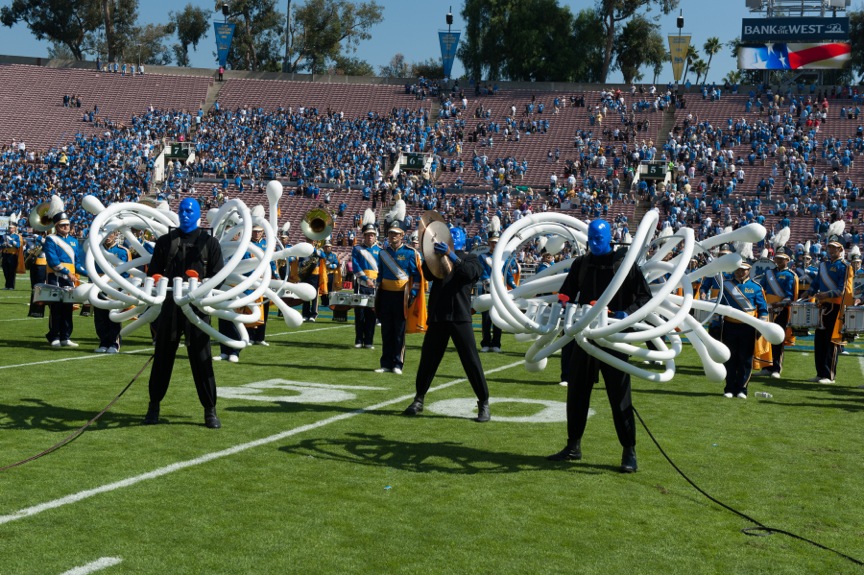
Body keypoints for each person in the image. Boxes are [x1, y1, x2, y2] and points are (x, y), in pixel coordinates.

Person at [547, 219, 651, 473]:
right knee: (577, 393)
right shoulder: (581, 264)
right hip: (584, 338)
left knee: (620, 396)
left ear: (609, 238)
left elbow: (644, 297)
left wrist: (625, 314)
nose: (593, 242)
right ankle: (573, 445)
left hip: (614, 339)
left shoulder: (624, 265)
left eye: (598, 238)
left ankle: (629, 451)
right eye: (591, 237)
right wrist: (561, 305)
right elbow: (567, 293)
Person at [142, 198, 225, 429]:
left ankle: (210, 410)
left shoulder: (210, 243)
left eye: (190, 211)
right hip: (169, 307)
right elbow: (154, 272)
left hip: (197, 309)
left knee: (202, 358)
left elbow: (219, 276)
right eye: (181, 211)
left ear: (198, 214)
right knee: (162, 358)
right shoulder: (166, 241)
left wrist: (202, 287)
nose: (185, 214)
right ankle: (153, 406)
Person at [403, 228, 491, 422]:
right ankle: (419, 398)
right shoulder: (436, 258)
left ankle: (483, 402)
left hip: (460, 316)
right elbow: (427, 274)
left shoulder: (471, 259)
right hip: (439, 315)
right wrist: (430, 254)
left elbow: (468, 274)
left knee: (471, 361)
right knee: (428, 360)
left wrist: (451, 255)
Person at [375, 222, 422, 374]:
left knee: (399, 331)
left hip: (402, 296)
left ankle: (397, 363)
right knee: (386, 330)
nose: (393, 236)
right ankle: (385, 363)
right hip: (385, 295)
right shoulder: (383, 253)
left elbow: (416, 276)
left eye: (396, 233)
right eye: (390, 233)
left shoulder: (410, 253)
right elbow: (380, 274)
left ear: (402, 235)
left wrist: (413, 295)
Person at [717, 261, 769, 398]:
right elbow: (719, 306)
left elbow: (763, 309)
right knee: (730, 358)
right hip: (729, 326)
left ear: (749, 270)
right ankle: (729, 388)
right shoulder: (726, 285)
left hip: (748, 327)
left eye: (744, 270)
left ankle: (742, 389)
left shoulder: (756, 287)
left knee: (745, 359)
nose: (740, 272)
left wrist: (761, 326)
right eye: (738, 270)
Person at [807, 236, 853, 384]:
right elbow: (816, 282)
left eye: (835, 248)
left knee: (830, 342)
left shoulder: (845, 266)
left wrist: (826, 294)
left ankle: (829, 375)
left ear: (841, 250)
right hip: (822, 306)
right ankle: (820, 373)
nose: (831, 250)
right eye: (830, 247)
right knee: (819, 340)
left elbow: (842, 289)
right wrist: (809, 291)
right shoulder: (823, 265)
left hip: (835, 307)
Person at [43, 213, 88, 347]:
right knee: (56, 307)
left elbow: (77, 264)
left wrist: (89, 273)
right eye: (63, 225)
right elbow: (53, 261)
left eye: (67, 225)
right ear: (57, 226)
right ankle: (54, 336)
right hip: (56, 277)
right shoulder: (51, 239)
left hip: (70, 278)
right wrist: (67, 272)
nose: (66, 227)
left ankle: (65, 337)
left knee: (68, 307)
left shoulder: (74, 241)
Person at [755, 248, 797, 378]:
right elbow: (761, 290)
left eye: (781, 258)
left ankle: (776, 369)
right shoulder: (768, 273)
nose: (778, 260)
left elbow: (789, 296)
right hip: (767, 309)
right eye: (777, 258)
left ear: (787, 260)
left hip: (780, 311)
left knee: (777, 339)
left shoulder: (790, 275)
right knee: (765, 339)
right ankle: (766, 367)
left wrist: (779, 304)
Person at [479, 233, 516, 352]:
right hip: (487, 290)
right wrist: (488, 283)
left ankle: (496, 343)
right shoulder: (483, 257)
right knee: (486, 318)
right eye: (492, 242)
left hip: (500, 291)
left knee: (498, 318)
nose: (494, 244)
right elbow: (483, 272)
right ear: (489, 243)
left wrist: (514, 286)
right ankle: (485, 343)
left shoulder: (503, 258)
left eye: (496, 242)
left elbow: (508, 275)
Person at [93, 231, 129, 353]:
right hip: (98, 286)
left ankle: (114, 343)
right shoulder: (95, 249)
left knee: (114, 316)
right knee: (100, 317)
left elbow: (126, 272)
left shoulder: (122, 251)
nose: (108, 237)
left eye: (111, 234)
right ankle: (103, 342)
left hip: (115, 287)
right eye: (105, 234)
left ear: (115, 235)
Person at [352, 220, 380, 348]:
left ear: (375, 236)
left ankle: (369, 341)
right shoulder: (357, 249)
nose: (370, 237)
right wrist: (365, 279)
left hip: (374, 286)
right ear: (364, 236)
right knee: (360, 314)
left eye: (372, 234)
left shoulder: (380, 250)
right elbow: (355, 265)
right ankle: (358, 340)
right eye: (368, 234)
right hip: (360, 284)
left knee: (372, 314)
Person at [248, 225, 272, 346]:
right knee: (252, 307)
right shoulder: (248, 244)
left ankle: (261, 337)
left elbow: (272, 260)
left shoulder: (266, 244)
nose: (256, 234)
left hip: (264, 279)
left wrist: (275, 275)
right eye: (254, 232)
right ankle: (250, 336)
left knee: (264, 307)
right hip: (252, 279)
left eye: (259, 232)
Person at [25, 232, 47, 318]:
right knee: (33, 287)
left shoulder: (47, 239)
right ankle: (33, 310)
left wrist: (40, 239)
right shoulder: (32, 240)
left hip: (42, 264)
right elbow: (28, 249)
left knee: (40, 287)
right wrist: (29, 250)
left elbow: (47, 247)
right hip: (34, 263)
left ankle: (39, 310)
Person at [2, 221, 21, 289]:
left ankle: (11, 286)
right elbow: (1, 244)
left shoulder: (16, 236)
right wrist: (3, 244)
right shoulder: (5, 235)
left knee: (11, 271)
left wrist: (12, 242)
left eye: (11, 228)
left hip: (12, 255)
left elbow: (18, 245)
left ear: (15, 229)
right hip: (5, 254)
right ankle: (7, 285)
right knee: (5, 270)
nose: (10, 229)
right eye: (9, 228)